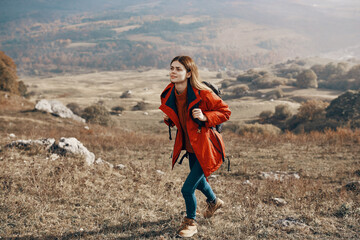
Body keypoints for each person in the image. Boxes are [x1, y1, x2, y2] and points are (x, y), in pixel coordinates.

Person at [159, 56, 231, 238]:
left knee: (187, 188)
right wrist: (171, 120)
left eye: (178, 69)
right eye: (172, 68)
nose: (173, 72)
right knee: (199, 182)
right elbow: (180, 117)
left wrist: (206, 117)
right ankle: (214, 202)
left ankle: (191, 222)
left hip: (206, 147)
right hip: (190, 146)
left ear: (189, 73)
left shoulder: (203, 93)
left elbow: (225, 112)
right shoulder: (170, 92)